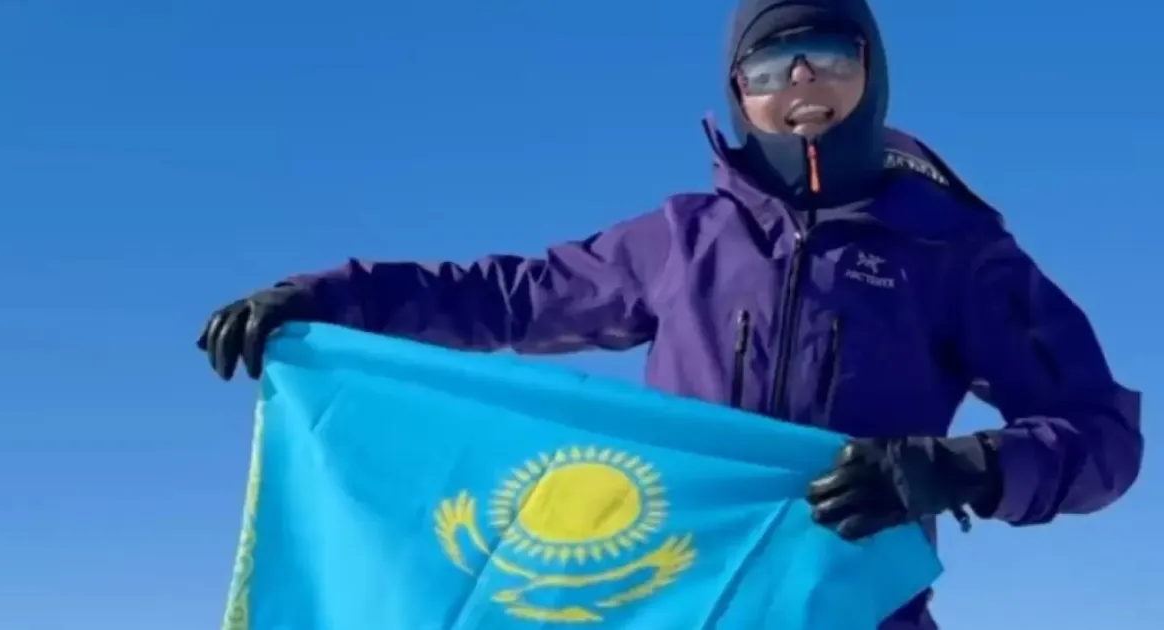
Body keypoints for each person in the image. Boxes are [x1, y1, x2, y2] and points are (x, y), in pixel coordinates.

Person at [197, 0, 1143, 627]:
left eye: (823, 54)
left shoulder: (956, 256)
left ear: (871, 70)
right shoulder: (684, 241)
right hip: (678, 605)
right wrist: (327, 297)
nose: (799, 83)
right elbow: (506, 298)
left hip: (857, 612)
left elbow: (1102, 438)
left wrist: (959, 469)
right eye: (768, 68)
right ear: (741, 96)